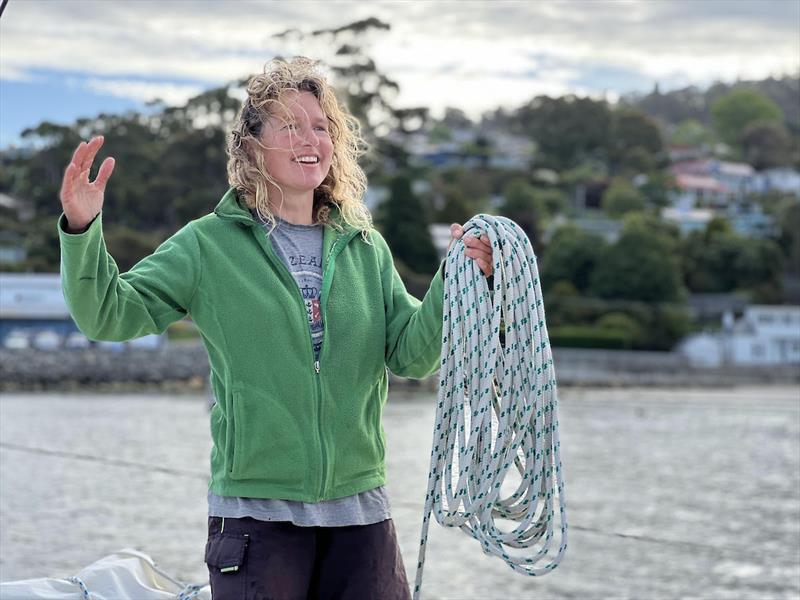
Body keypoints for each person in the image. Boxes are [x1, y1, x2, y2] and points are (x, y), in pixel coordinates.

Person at [58, 56, 493, 599]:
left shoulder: (365, 246)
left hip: (360, 514)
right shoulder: (207, 245)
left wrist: (459, 278)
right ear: (251, 146)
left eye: (321, 126)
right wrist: (81, 227)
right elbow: (107, 313)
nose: (310, 138)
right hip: (255, 518)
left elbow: (411, 354)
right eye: (289, 126)